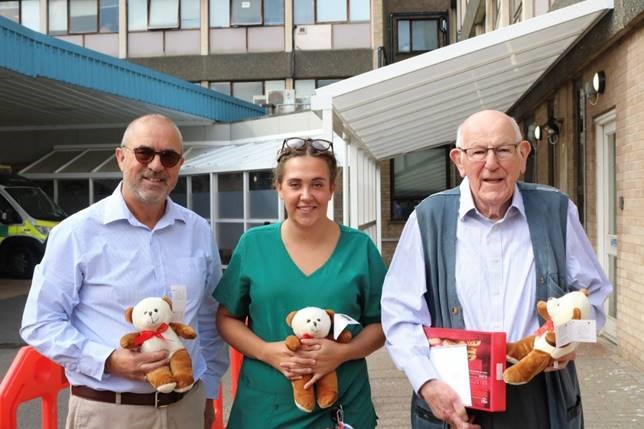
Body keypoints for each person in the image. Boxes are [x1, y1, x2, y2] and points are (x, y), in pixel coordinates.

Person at [381, 110, 612, 429]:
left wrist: (568, 341)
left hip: (541, 394)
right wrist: (427, 383)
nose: (491, 163)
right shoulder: (428, 218)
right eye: (478, 151)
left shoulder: (556, 210)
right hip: (456, 396)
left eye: (503, 149)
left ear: (523, 154)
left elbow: (595, 293)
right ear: (458, 160)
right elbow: (399, 313)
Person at [20, 114, 228, 429]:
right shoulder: (76, 233)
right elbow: (40, 322)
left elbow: (208, 319)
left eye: (168, 157)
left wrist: (209, 391)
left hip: (187, 408)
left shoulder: (197, 230)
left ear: (179, 165)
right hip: (109, 412)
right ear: (121, 157)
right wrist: (108, 360)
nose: (157, 166)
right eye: (145, 153)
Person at [214, 137, 387, 428]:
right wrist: (267, 352)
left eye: (317, 184)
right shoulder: (254, 245)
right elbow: (227, 317)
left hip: (341, 408)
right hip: (266, 410)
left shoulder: (360, 248)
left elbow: (382, 324)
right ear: (279, 188)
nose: (306, 195)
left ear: (332, 188)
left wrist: (343, 353)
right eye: (295, 184)